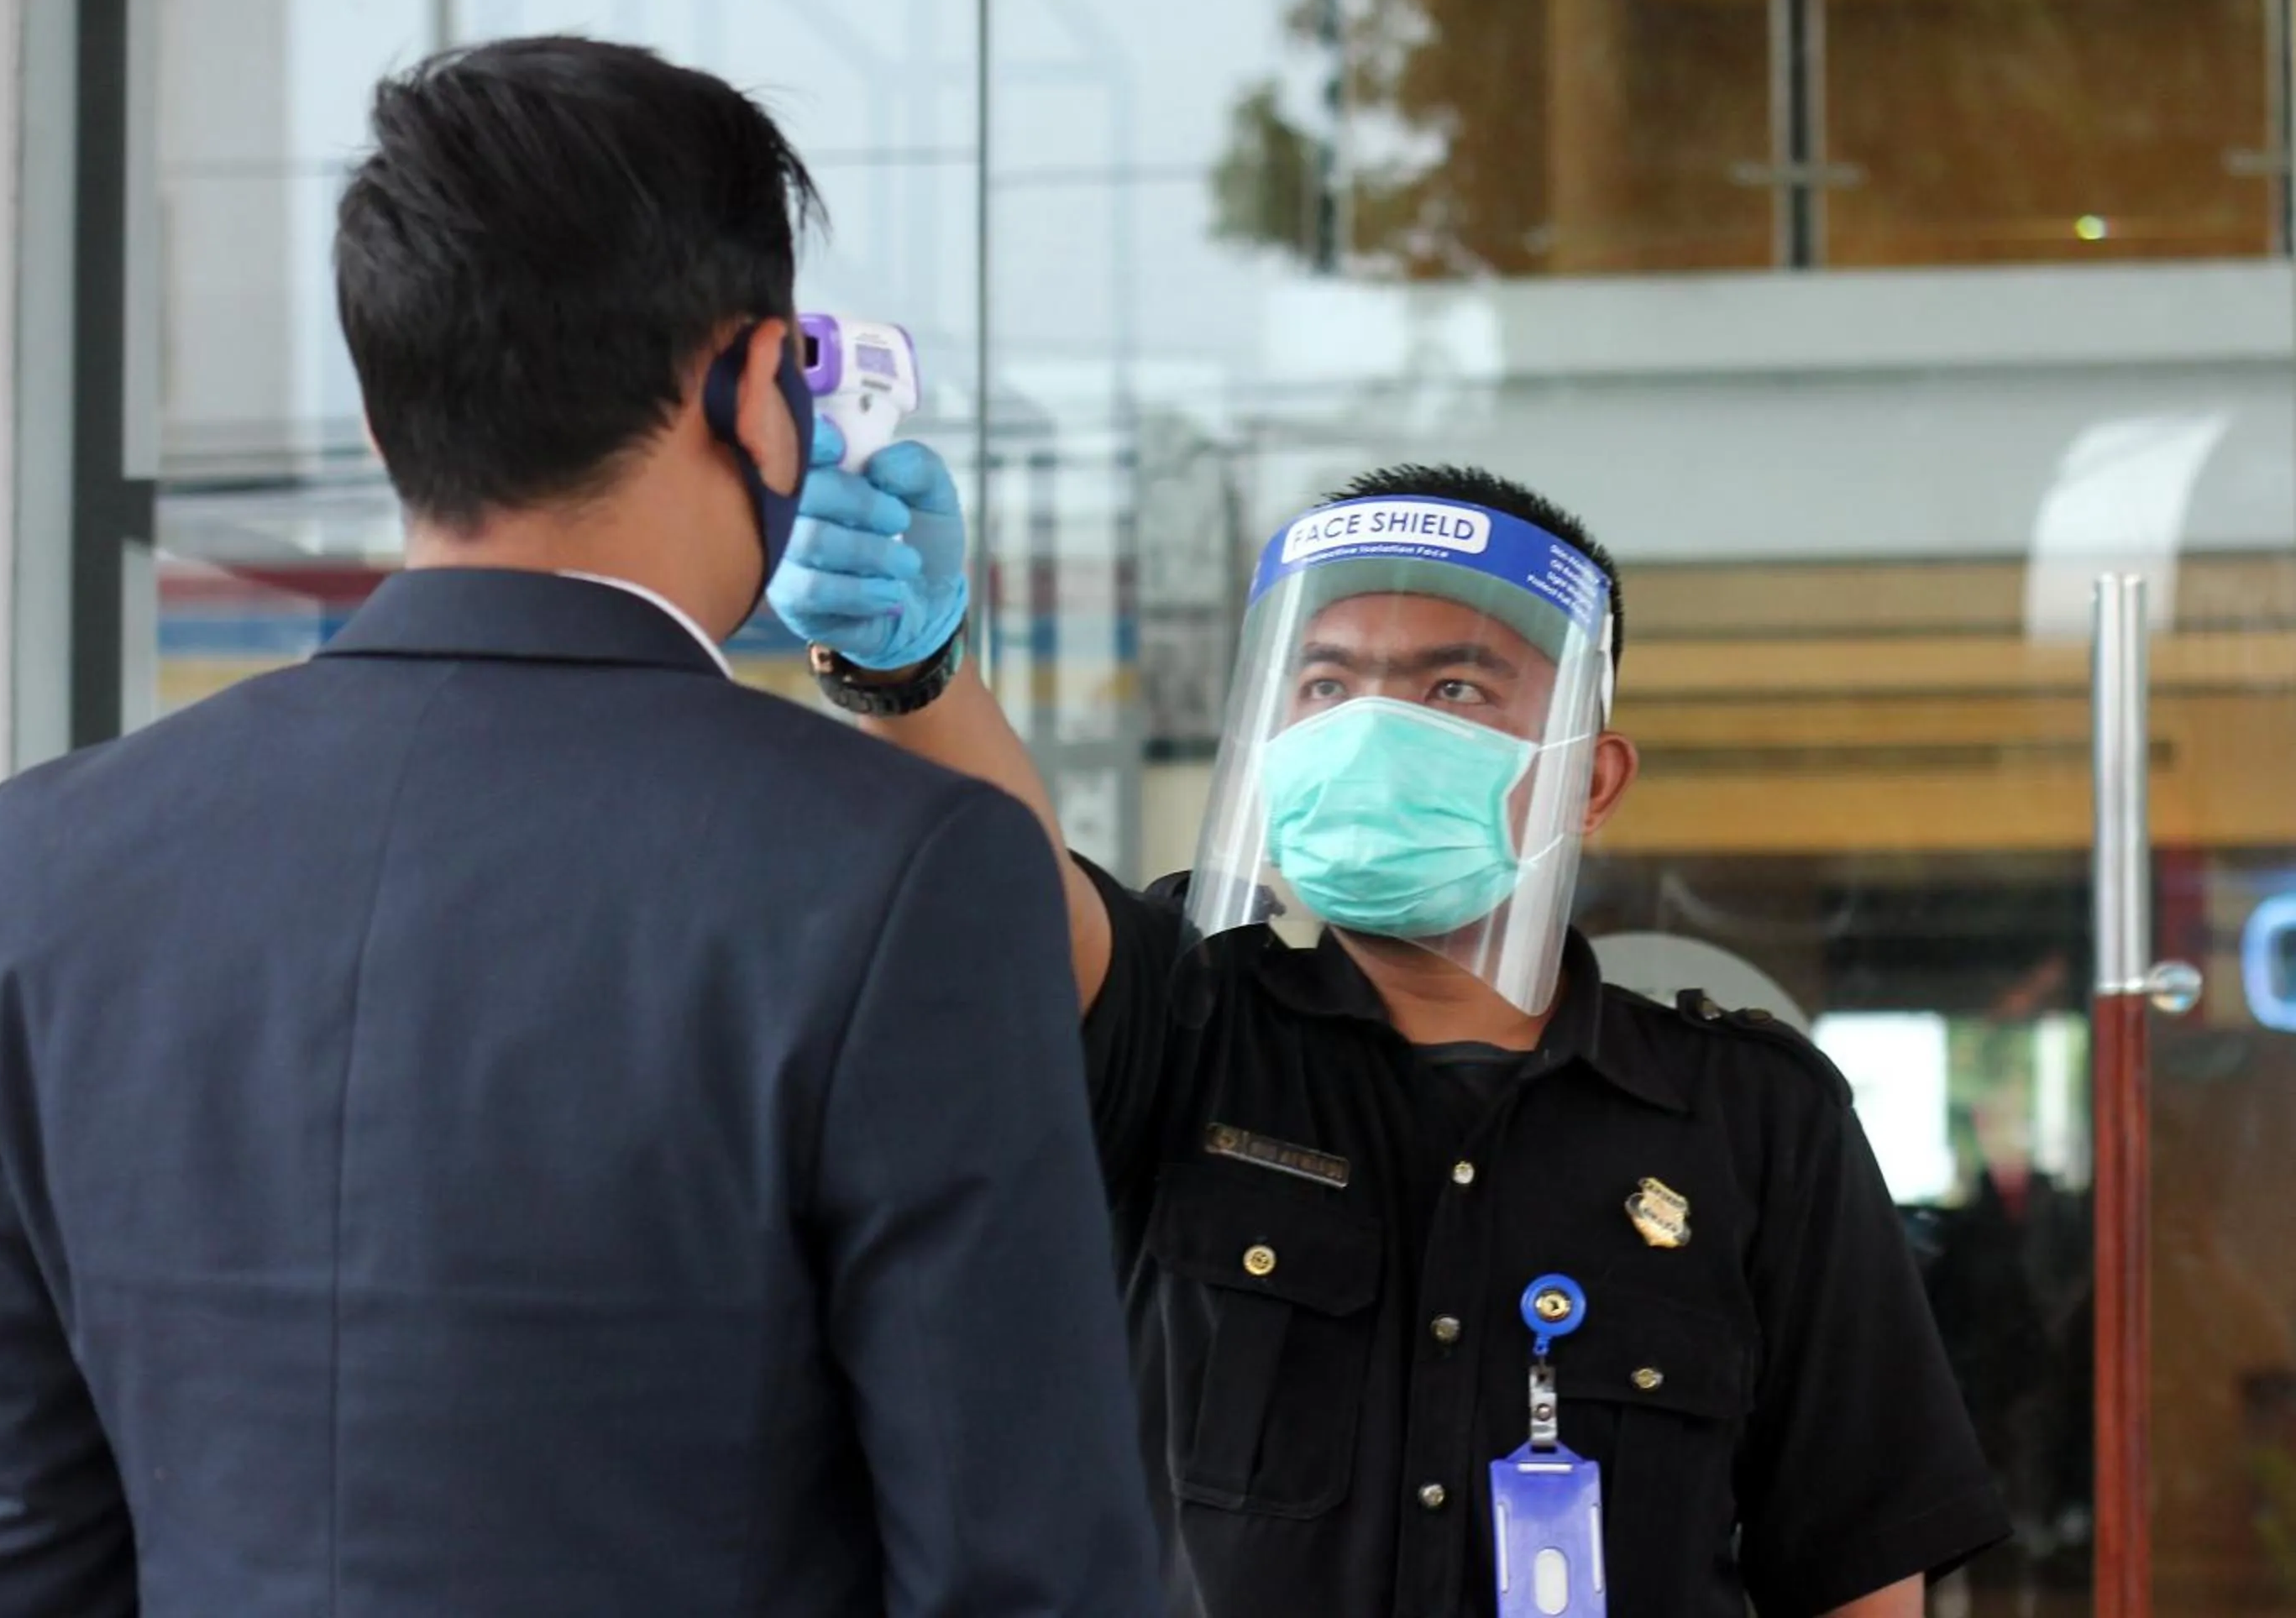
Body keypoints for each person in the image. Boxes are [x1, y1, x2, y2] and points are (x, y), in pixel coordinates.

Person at [0, 37, 1160, 1618]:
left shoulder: (40, 867)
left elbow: (21, 1565)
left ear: (388, 425)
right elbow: (1024, 1575)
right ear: (761, 387)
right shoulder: (899, 875)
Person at [770, 450, 2013, 1617]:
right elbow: (1010, 890)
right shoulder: (1194, 1026)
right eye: (1325, 683)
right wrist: (912, 673)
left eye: (1452, 685)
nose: (1371, 726)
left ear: (1592, 778)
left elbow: (1855, 1568)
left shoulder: (1750, 1121)